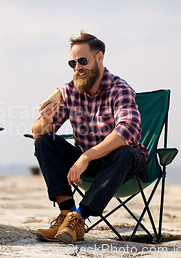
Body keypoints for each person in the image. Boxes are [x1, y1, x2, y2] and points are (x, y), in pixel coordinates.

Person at [32, 31, 148, 244]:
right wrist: (46, 120)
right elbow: (37, 131)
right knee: (44, 141)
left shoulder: (119, 89)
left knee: (124, 152)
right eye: (73, 63)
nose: (77, 68)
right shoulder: (69, 91)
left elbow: (128, 129)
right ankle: (67, 214)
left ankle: (80, 217)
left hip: (124, 165)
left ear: (99, 58)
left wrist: (85, 157)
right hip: (92, 166)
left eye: (82, 61)